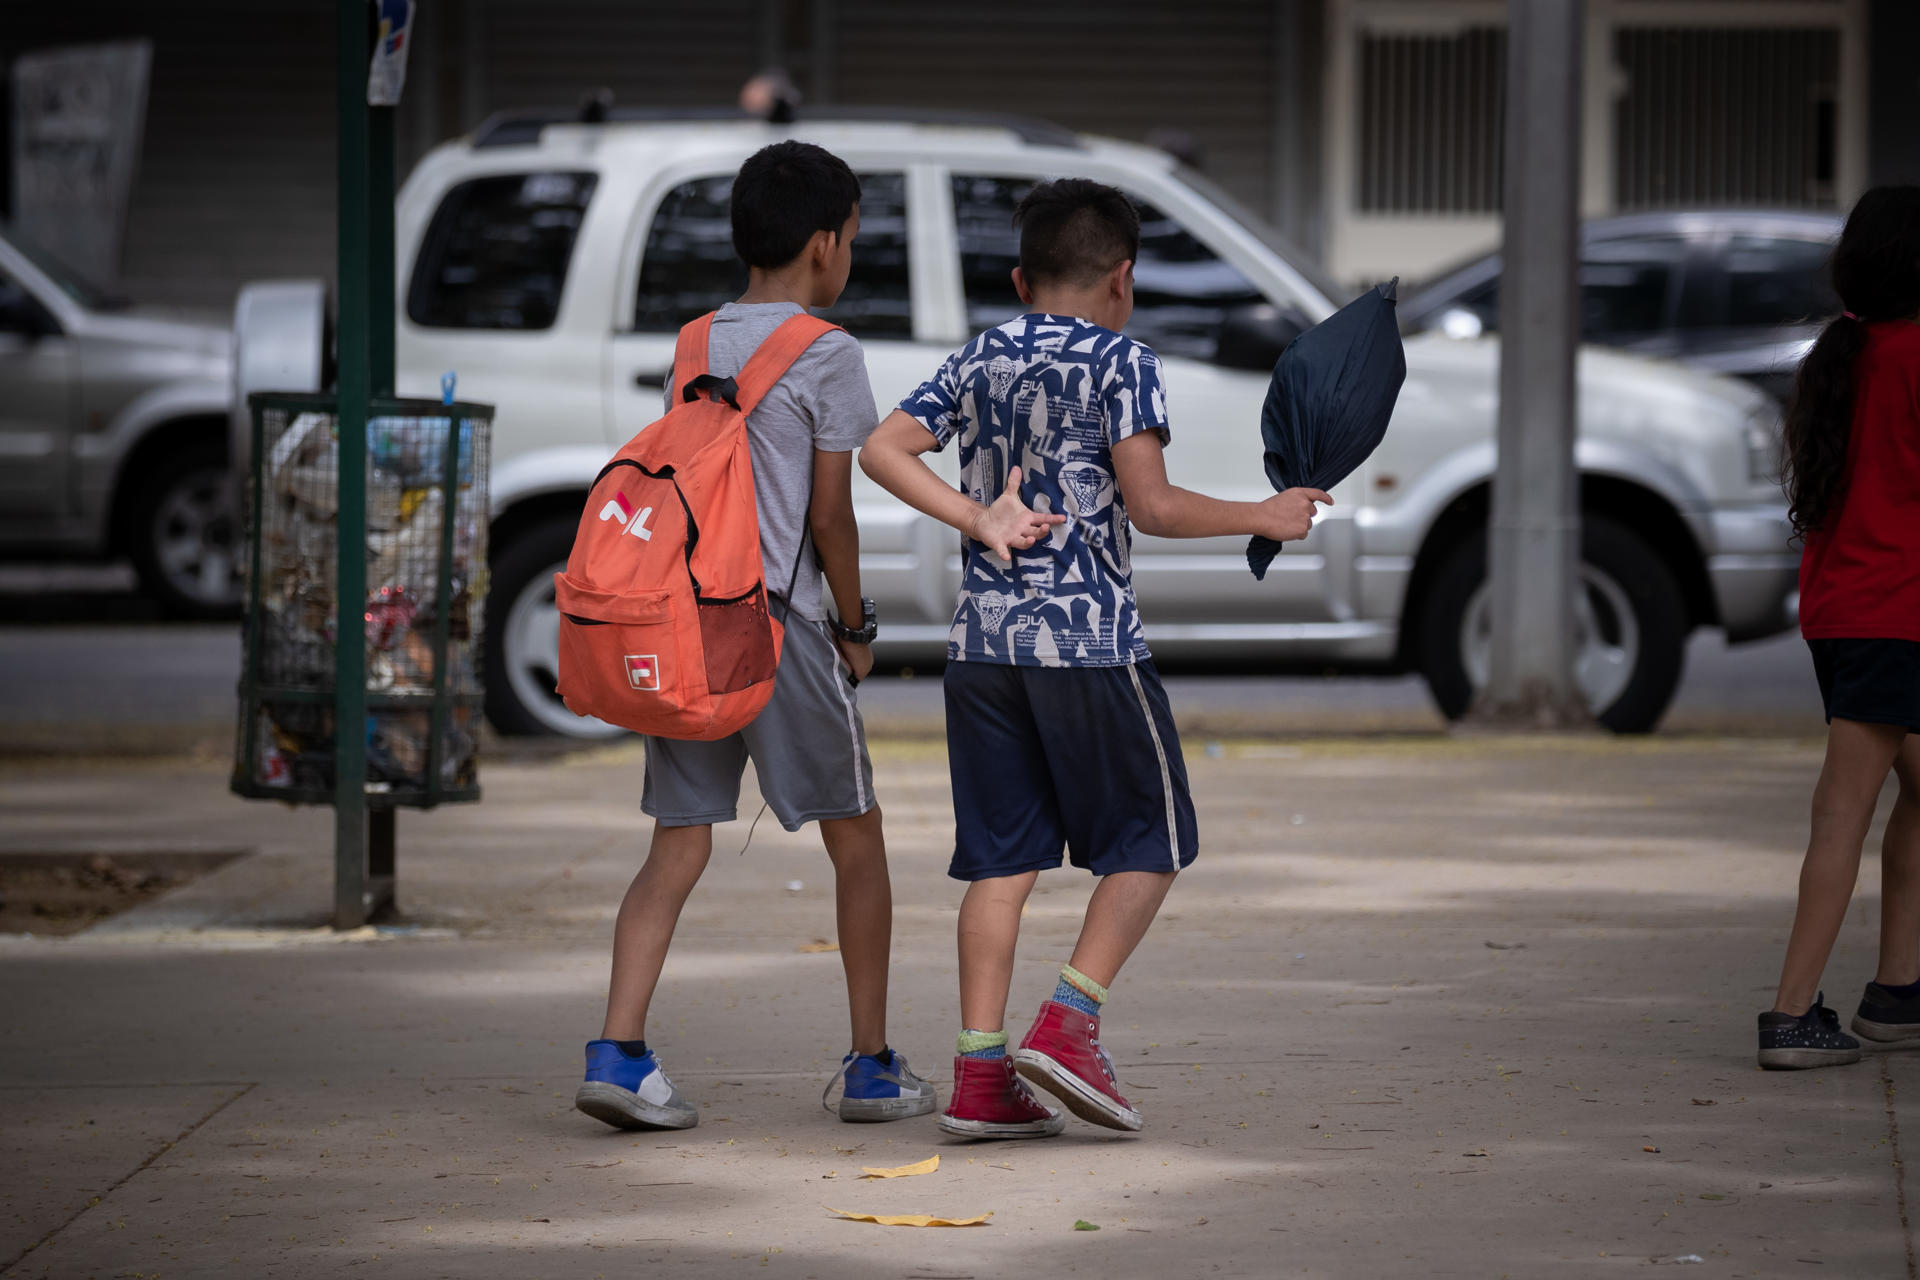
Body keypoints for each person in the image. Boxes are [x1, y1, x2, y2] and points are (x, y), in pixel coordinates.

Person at [859, 178, 1327, 1136]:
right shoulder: (1124, 360)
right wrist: (1263, 513)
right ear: (1125, 277)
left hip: (983, 649)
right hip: (1089, 643)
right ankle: (1070, 1022)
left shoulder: (981, 352)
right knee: (1153, 842)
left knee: (1001, 864)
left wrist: (975, 513)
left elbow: (882, 449)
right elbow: (1151, 507)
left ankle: (982, 1078)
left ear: (1023, 277)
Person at [575, 141, 935, 1129]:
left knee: (675, 845)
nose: (851, 257)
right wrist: (856, 625)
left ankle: (619, 1049)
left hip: (686, 629)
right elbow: (831, 515)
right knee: (855, 837)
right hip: (779, 634)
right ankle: (870, 1066)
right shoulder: (829, 351)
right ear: (824, 245)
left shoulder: (694, 345)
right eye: (854, 239)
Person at [1759, 186, 1920, 1070]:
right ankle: (1790, 1014)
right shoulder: (1911, 355)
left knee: (1901, 799)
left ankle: (1898, 994)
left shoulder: (1842, 353)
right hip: (1894, 611)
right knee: (1843, 813)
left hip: (1845, 610)